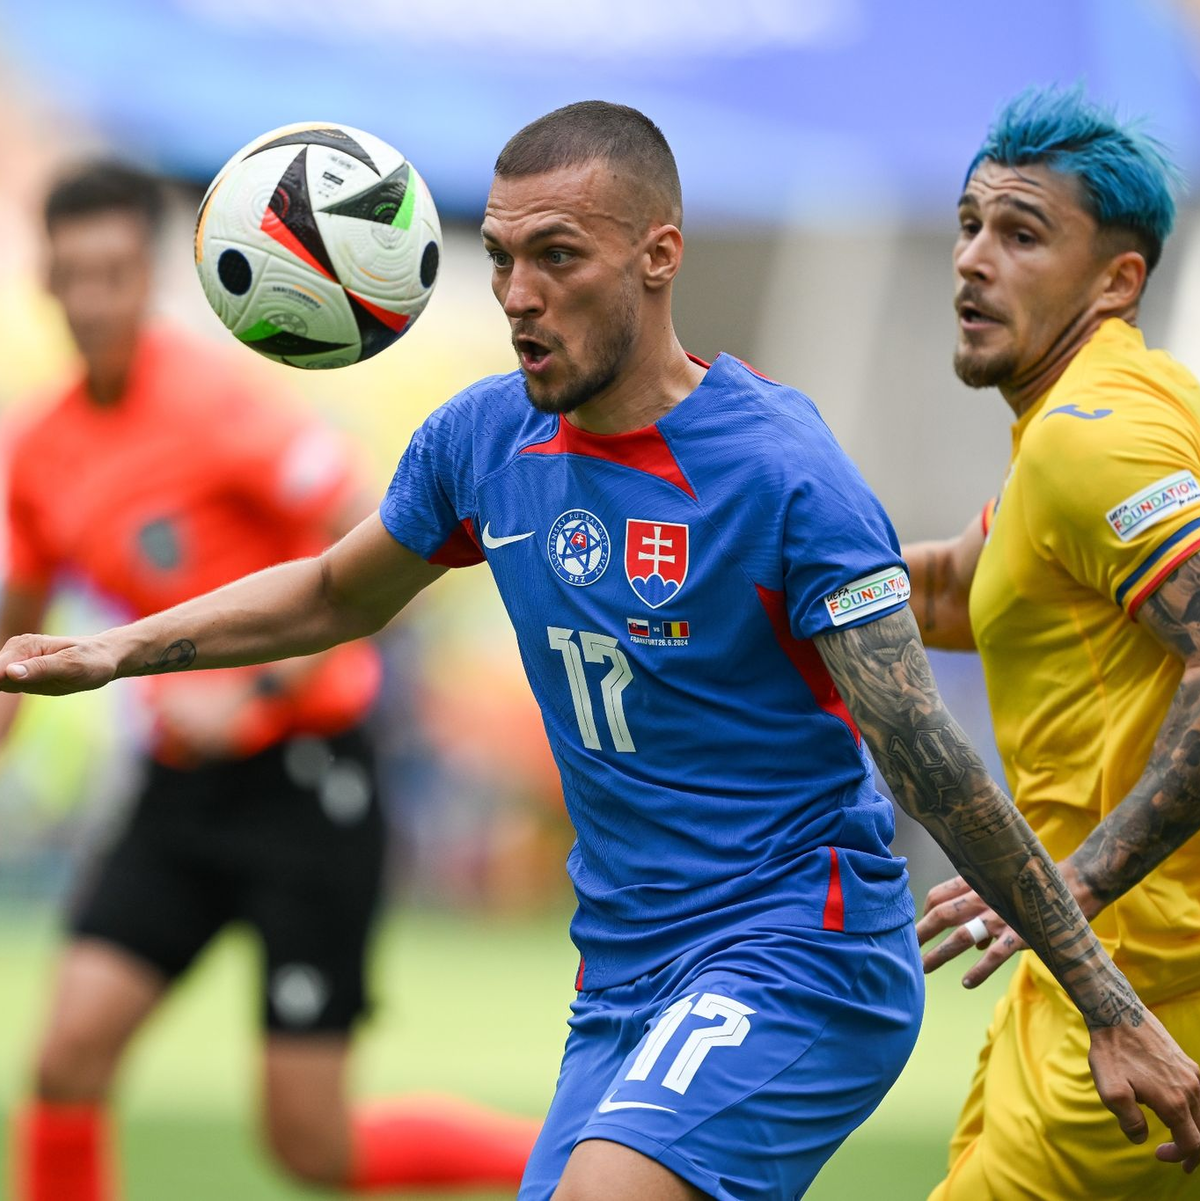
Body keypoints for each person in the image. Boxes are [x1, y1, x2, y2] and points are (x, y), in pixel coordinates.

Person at [3, 105, 1199, 1201]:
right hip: (622, 978)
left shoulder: (780, 469)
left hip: (798, 950)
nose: (520, 294)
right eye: (502, 262)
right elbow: (331, 591)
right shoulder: (482, 438)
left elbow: (931, 763)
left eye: (559, 258)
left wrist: (1109, 1002)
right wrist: (116, 651)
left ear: (659, 257)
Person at [2, 161, 538, 1201]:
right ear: (49, 282)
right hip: (180, 787)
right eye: (74, 277)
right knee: (66, 1058)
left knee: (310, 1150)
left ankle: (576, 1172)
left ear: (150, 275)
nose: (94, 300)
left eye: (116, 273)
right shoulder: (39, 448)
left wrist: (251, 693)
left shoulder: (223, 409)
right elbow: (14, 652)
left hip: (308, 781)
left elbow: (392, 570)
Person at [906, 86, 1200, 1199]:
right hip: (1077, 981)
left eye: (1021, 234)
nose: (974, 260)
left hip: (1147, 995)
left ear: (1117, 280)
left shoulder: (1095, 442)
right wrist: (737, 539)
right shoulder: (1095, 417)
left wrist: (1071, 883)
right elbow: (949, 594)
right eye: (971, 224)